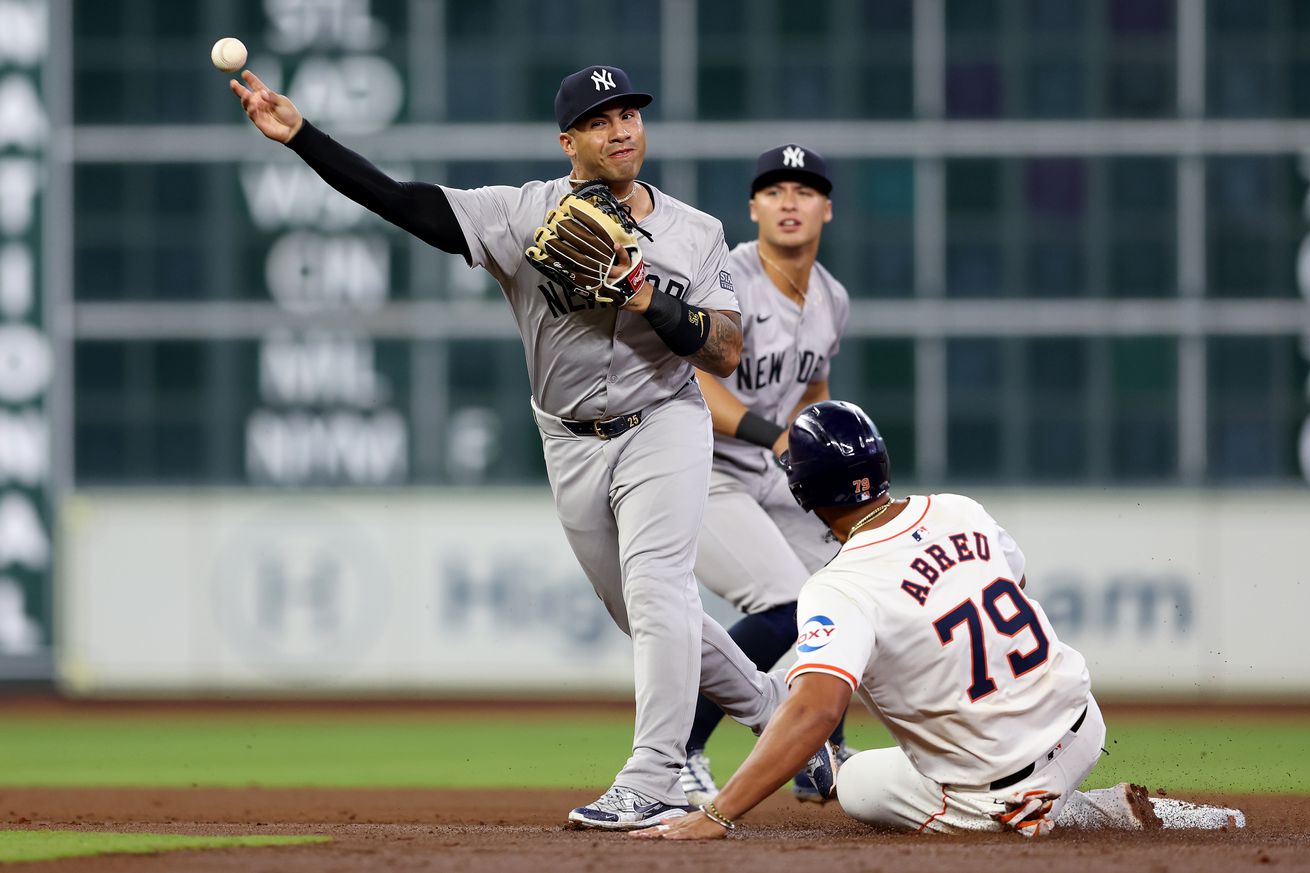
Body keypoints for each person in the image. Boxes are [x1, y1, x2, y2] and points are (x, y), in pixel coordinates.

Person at [229, 64, 796, 831]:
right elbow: (404, 204)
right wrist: (300, 137)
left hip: (665, 420)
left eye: (629, 113)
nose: (621, 128)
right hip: (568, 437)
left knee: (661, 591)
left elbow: (725, 352)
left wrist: (646, 294)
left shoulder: (695, 232)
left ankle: (655, 774)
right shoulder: (522, 213)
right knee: (645, 613)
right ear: (569, 142)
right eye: (600, 120)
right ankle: (783, 718)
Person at [637, 400, 1246, 839]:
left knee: (852, 782)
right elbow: (1015, 580)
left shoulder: (838, 585)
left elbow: (815, 711)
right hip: (1082, 726)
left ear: (802, 491)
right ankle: (1072, 796)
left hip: (994, 785)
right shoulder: (960, 509)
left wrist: (717, 814)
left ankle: (1064, 809)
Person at [677, 144, 854, 807]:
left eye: (804, 190)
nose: (788, 200)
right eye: (774, 189)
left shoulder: (832, 298)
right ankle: (677, 752)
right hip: (696, 466)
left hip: (769, 469)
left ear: (826, 209)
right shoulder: (728, 279)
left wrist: (814, 447)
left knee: (845, 588)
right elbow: (697, 380)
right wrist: (777, 436)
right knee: (784, 602)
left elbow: (814, 385)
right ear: (753, 206)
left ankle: (822, 744)